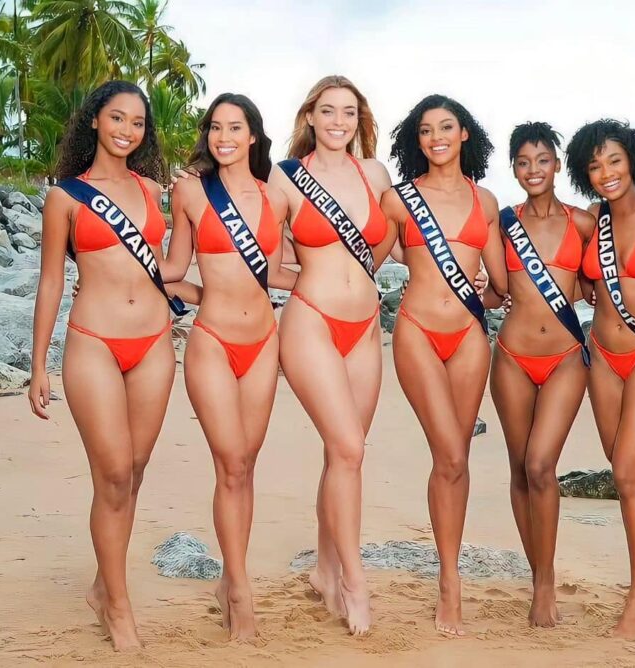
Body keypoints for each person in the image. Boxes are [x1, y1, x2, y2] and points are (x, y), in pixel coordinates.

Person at [29, 80, 197, 651]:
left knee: (136, 469)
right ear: (95, 120)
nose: (128, 130)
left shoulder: (151, 190)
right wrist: (38, 365)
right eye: (118, 118)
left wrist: (207, 287)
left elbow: (165, 268)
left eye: (138, 122)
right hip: (93, 343)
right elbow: (51, 281)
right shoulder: (65, 197)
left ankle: (105, 584)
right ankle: (118, 607)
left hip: (153, 342)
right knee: (115, 474)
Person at [161, 93, 294, 639]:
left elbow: (278, 272)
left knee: (245, 467)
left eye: (235, 128)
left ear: (253, 135)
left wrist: (341, 284)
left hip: (263, 341)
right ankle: (239, 588)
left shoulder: (275, 197)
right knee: (231, 461)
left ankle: (230, 579)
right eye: (215, 127)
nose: (224, 137)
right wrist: (107, 272)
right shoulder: (191, 192)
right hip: (213, 341)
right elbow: (172, 266)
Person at [268, 75, 395, 635]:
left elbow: (394, 237)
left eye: (348, 112)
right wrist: (313, 277)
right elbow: (262, 256)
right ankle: (354, 582)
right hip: (312, 323)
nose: (338, 121)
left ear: (358, 120)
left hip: (366, 328)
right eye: (328, 111)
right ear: (310, 117)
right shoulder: (285, 177)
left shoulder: (375, 175)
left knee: (344, 456)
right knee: (348, 448)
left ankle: (324, 569)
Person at [380, 94, 505, 636]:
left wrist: (485, 286)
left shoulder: (486, 201)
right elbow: (366, 256)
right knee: (450, 452)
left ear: (464, 134)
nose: (436, 138)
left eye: (446, 127)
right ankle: (450, 581)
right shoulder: (398, 199)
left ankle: (450, 569)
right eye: (426, 130)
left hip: (470, 336)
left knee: (456, 461)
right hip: (418, 332)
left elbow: (499, 288)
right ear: (418, 140)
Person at [565, 119, 635, 639]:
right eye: (594, 166)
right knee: (623, 471)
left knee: (631, 472)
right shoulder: (593, 219)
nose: (606, 172)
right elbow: (575, 277)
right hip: (602, 356)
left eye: (614, 160)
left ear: (633, 159)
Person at [489, 122, 591, 627]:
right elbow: (491, 288)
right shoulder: (502, 223)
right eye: (524, 162)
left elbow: (598, 288)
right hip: (511, 356)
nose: (534, 170)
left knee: (541, 465)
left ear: (557, 164)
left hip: (566, 358)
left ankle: (546, 584)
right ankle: (538, 577)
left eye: (543, 160)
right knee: (519, 468)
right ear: (514, 168)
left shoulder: (583, 222)